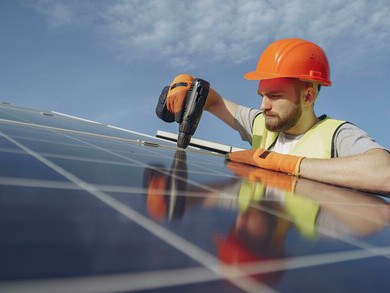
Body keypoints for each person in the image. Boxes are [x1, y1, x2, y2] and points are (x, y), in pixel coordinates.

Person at [165, 38, 390, 193]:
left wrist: (282, 163)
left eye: (274, 96)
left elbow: (384, 173)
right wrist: (188, 82)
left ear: (308, 96)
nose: (263, 106)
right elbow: (213, 101)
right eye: (262, 95)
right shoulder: (262, 123)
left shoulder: (336, 135)